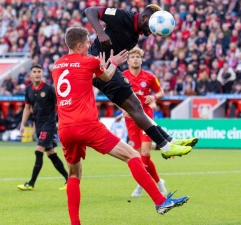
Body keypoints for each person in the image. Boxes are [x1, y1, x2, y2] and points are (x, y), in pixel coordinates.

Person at [52, 27, 189, 224]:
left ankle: (75, 223)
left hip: (64, 128)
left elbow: (78, 78)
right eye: (88, 43)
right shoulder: (89, 61)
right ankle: (160, 201)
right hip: (87, 125)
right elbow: (106, 77)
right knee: (132, 156)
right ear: (79, 45)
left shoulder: (57, 65)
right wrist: (114, 63)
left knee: (74, 173)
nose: (90, 45)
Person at [85, 4, 197, 159]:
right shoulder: (122, 16)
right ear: (145, 18)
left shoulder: (134, 36)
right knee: (136, 107)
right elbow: (90, 11)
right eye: (150, 29)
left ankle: (169, 141)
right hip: (99, 66)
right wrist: (100, 33)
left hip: (109, 68)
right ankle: (166, 146)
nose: (150, 34)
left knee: (137, 107)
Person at [121, 47, 167, 198]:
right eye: (132, 57)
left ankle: (140, 185)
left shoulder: (149, 76)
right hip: (130, 120)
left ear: (141, 60)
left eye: (137, 57)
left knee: (146, 152)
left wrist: (154, 97)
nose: (135, 59)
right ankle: (159, 182)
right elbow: (114, 95)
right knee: (140, 155)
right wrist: (122, 108)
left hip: (146, 118)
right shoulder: (122, 77)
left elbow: (161, 92)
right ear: (127, 61)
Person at [17, 64, 69, 191]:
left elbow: (61, 103)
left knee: (38, 150)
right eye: (34, 71)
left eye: (39, 71)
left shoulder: (49, 89)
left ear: (42, 73)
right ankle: (69, 180)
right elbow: (27, 107)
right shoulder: (28, 89)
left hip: (49, 125)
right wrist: (22, 124)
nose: (37, 74)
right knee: (51, 153)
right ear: (30, 74)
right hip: (39, 125)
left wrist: (64, 119)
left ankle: (31, 183)